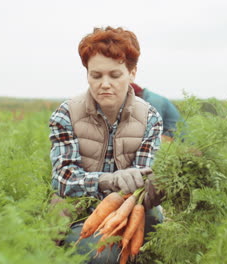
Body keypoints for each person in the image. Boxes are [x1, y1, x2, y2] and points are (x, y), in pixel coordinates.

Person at [48, 26, 164, 263]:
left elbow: (146, 176)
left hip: (130, 211)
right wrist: (107, 181)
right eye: (96, 75)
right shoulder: (66, 114)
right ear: (87, 74)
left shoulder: (150, 118)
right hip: (79, 213)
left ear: (132, 73)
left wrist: (155, 187)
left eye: (115, 75)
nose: (105, 84)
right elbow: (63, 179)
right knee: (103, 256)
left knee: (153, 234)